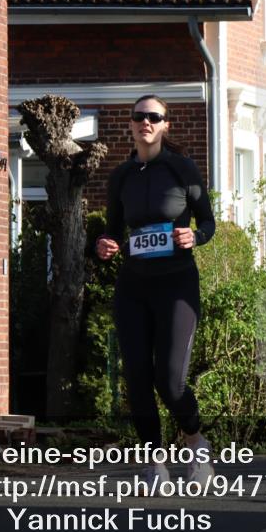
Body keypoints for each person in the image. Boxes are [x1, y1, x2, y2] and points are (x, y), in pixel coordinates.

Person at [96, 94, 216, 490]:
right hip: (133, 285)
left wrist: (195, 236)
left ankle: (196, 443)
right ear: (130, 125)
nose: (145, 122)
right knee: (137, 378)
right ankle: (154, 462)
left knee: (170, 381)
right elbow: (113, 231)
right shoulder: (121, 176)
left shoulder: (182, 168)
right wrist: (105, 245)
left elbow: (208, 222)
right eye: (138, 116)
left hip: (176, 284)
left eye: (153, 116)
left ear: (165, 124)